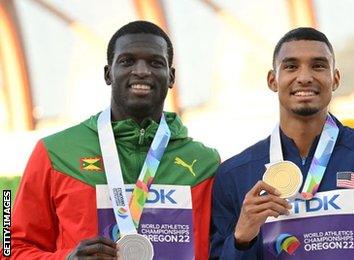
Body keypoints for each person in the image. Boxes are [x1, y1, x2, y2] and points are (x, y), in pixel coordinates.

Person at [210, 27, 354, 259]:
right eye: (291, 66)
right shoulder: (235, 175)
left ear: (335, 79)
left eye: (318, 66)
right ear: (272, 80)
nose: (305, 77)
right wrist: (241, 239)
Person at [9, 21, 220, 260]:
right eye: (127, 61)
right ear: (108, 74)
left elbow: (223, 249)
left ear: (171, 77)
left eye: (155, 62)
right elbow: (10, 248)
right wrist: (67, 259)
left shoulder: (205, 163)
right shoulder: (55, 153)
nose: (141, 70)